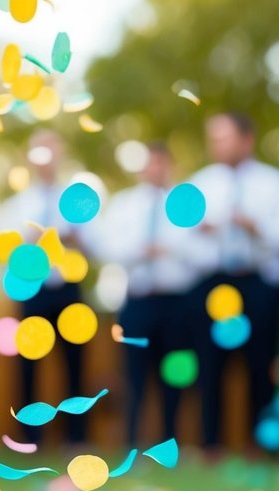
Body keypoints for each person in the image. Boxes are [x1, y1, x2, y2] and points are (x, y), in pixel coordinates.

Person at [190, 112, 279, 452]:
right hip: (214, 283)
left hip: (259, 282)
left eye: (224, 137)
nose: (217, 145)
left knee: (261, 364)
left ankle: (264, 446)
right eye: (214, 138)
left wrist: (258, 228)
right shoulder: (199, 184)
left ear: (246, 139)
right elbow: (179, 241)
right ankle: (211, 444)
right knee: (210, 365)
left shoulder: (275, 184)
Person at [96, 141, 197, 444]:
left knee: (175, 375)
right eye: (150, 163)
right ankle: (131, 442)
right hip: (138, 300)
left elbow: (199, 251)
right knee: (134, 376)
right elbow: (107, 248)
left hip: (176, 301)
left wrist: (170, 249)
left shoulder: (186, 205)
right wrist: (140, 250)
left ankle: (170, 441)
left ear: (169, 166)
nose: (155, 169)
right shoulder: (125, 205)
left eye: (160, 163)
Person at [2, 132, 89, 442]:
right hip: (32, 290)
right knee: (28, 366)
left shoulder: (77, 200)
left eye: (51, 148)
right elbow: (7, 251)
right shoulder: (18, 204)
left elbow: (97, 244)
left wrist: (75, 237)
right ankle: (29, 437)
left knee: (75, 364)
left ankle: (76, 437)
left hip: (69, 288)